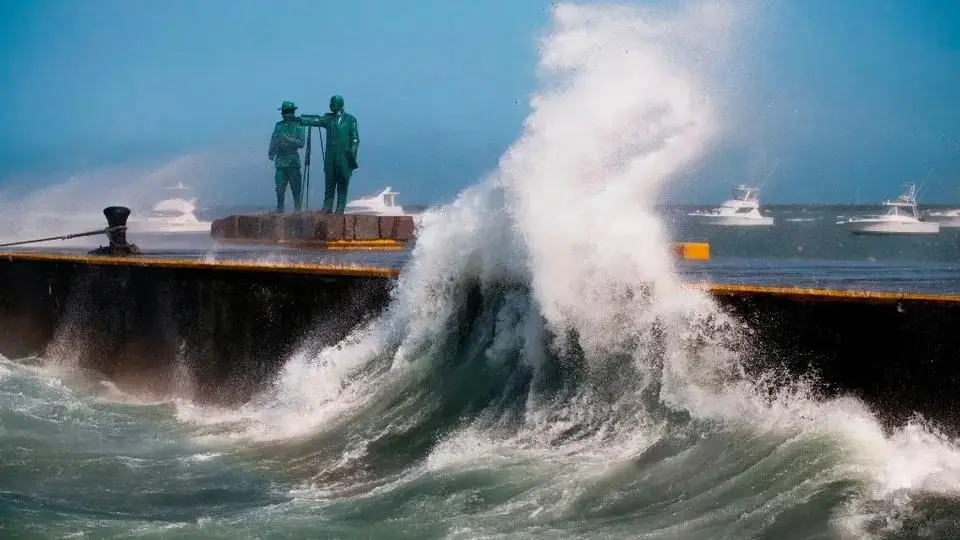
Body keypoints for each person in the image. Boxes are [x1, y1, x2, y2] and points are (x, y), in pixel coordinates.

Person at [298, 95, 359, 213]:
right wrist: (299, 120)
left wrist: (352, 154)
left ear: (339, 104)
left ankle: (340, 207)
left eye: (332, 103)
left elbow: (355, 138)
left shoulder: (350, 120)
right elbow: (316, 121)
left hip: (344, 157)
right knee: (329, 182)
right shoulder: (329, 119)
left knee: (342, 182)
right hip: (330, 158)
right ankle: (327, 206)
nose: (330, 106)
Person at [268, 100, 306, 212]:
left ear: (293, 112)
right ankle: (280, 207)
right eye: (285, 112)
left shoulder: (298, 124)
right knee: (279, 187)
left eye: (288, 111)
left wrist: (288, 139)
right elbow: (273, 139)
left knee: (296, 187)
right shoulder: (278, 126)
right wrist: (271, 152)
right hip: (280, 160)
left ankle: (297, 208)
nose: (286, 114)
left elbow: (301, 143)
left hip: (293, 160)